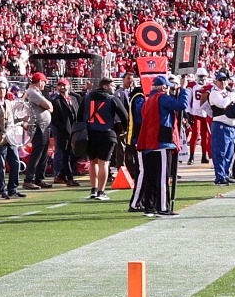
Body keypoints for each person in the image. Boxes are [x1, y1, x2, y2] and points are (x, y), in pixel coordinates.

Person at [131, 76, 186, 216]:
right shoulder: (162, 98)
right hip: (161, 141)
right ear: (163, 87)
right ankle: (162, 207)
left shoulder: (148, 99)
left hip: (150, 142)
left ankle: (150, 206)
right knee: (162, 177)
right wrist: (183, 89)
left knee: (151, 177)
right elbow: (181, 105)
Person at [77, 75, 128, 201]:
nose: (114, 87)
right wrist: (124, 129)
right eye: (112, 85)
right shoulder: (112, 99)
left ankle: (93, 190)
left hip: (90, 134)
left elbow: (79, 116)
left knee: (93, 161)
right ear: (105, 86)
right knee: (104, 163)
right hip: (106, 133)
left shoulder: (87, 97)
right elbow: (125, 116)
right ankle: (101, 191)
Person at [21, 73, 54, 189]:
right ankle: (29, 179)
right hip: (38, 125)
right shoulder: (32, 92)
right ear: (39, 81)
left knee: (43, 153)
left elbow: (50, 107)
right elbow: (49, 106)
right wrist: (48, 106)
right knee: (38, 152)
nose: (45, 84)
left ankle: (39, 178)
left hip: (42, 126)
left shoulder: (36, 92)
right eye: (44, 81)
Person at [207, 71, 235, 184]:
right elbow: (223, 104)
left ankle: (225, 174)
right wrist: (232, 96)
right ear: (216, 81)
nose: (223, 82)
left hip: (231, 126)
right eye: (220, 80)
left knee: (229, 153)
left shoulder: (228, 92)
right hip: (221, 125)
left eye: (225, 79)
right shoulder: (214, 93)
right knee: (220, 152)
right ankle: (220, 176)